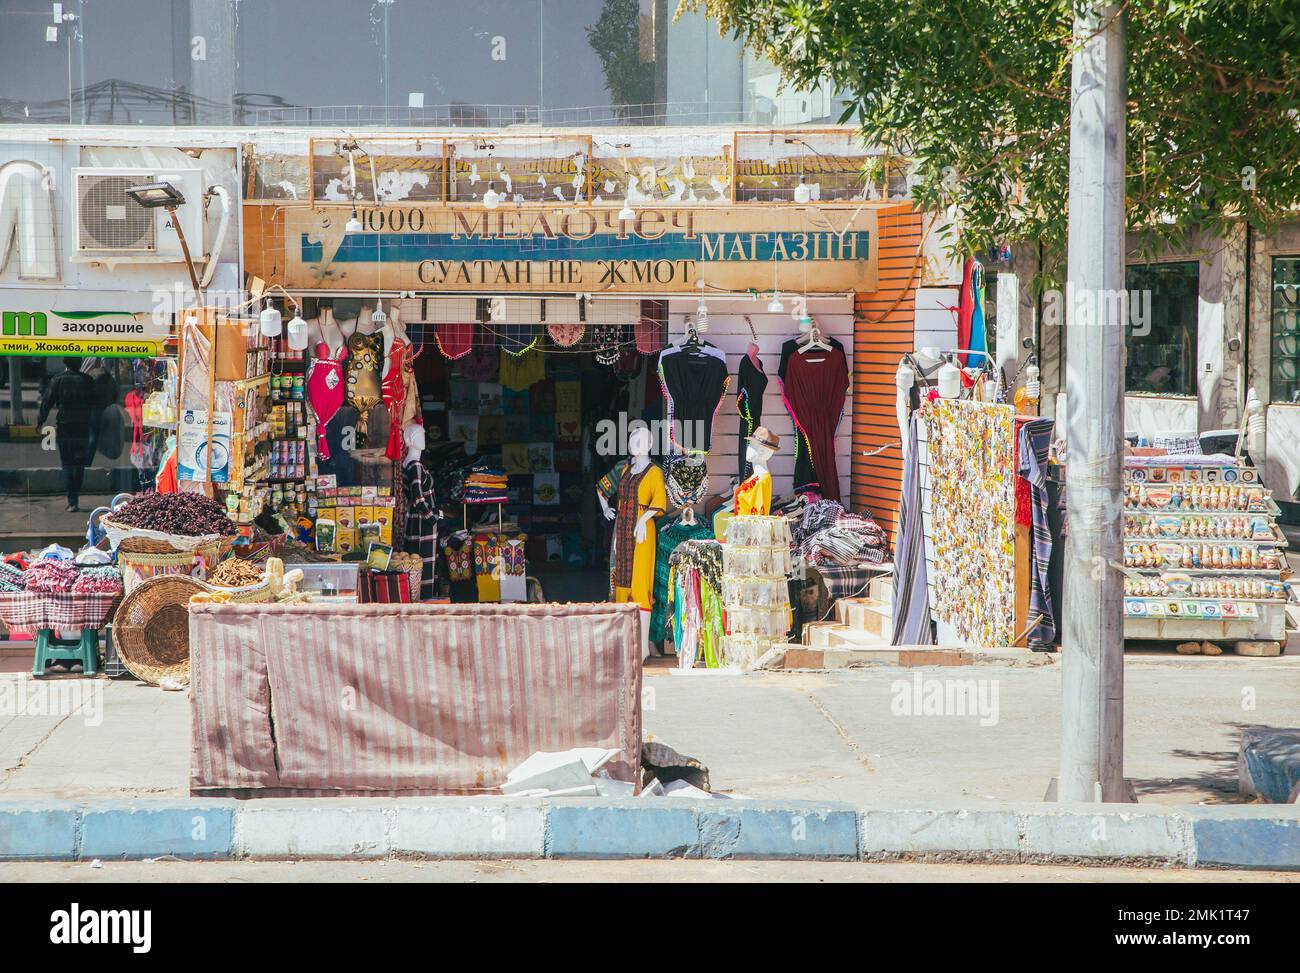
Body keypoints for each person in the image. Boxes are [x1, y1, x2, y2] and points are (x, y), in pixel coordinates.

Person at [37, 358, 95, 512]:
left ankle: (72, 500)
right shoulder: (88, 380)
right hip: (83, 426)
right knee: (79, 463)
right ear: (79, 363)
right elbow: (95, 404)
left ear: (65, 363)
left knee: (67, 463)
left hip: (65, 426)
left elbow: (47, 401)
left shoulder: (58, 380)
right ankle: (75, 495)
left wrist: (40, 421)